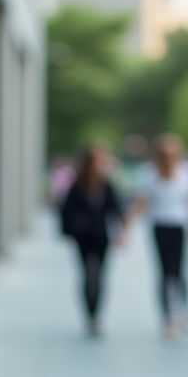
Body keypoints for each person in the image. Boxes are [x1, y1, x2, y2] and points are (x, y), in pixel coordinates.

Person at [124, 133, 188, 339]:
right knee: (164, 272)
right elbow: (142, 201)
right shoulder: (149, 172)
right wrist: (128, 226)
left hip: (180, 225)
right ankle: (168, 318)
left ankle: (184, 309)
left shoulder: (187, 171)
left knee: (180, 271)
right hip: (160, 225)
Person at [60, 141, 123, 337]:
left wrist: (120, 232)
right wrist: (68, 232)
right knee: (87, 275)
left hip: (101, 236)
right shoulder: (77, 186)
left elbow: (115, 209)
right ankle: (89, 314)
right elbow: (66, 212)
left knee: (99, 275)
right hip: (83, 237)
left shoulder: (105, 185)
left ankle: (96, 315)